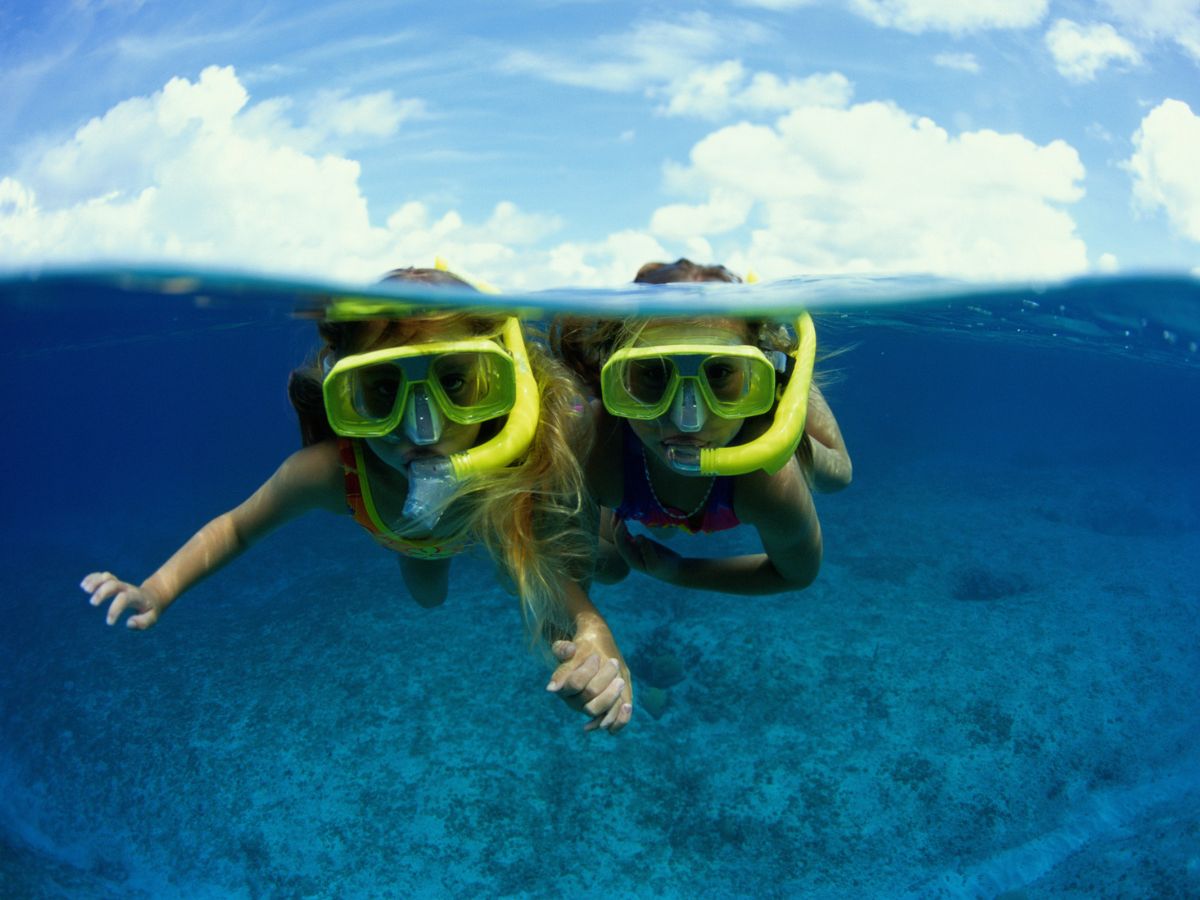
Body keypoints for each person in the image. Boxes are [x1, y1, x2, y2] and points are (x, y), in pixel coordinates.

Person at [81, 267, 633, 733]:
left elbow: (537, 569)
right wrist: (157, 589)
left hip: (498, 525)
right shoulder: (328, 473)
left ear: (496, 383)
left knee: (561, 563)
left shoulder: (512, 458)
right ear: (344, 394)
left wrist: (593, 631)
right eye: (384, 390)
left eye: (456, 383)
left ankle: (604, 529)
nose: (424, 427)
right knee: (428, 597)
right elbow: (237, 528)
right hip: (416, 544)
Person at [552, 258, 851, 593]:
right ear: (617, 377)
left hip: (753, 431)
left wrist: (681, 571)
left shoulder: (769, 480)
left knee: (836, 476)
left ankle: (786, 373)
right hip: (637, 482)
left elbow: (796, 574)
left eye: (720, 372)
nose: (687, 420)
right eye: (653, 372)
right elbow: (566, 565)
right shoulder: (594, 444)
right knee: (610, 568)